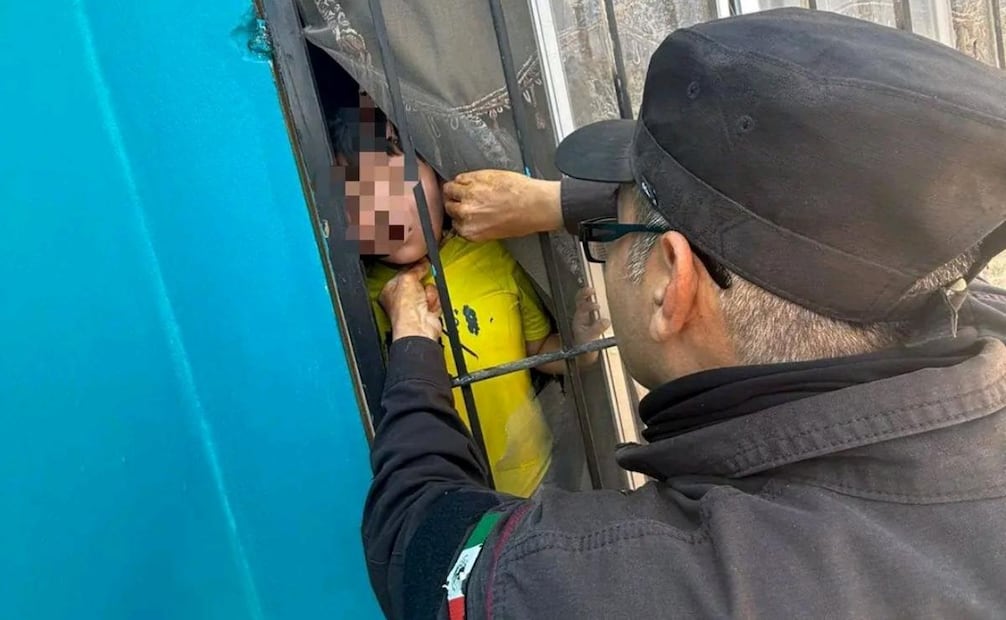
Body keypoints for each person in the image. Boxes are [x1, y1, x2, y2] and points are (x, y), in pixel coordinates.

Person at [364, 8, 1006, 620]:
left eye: (607, 235)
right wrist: (556, 204)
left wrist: (415, 345)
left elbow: (417, 535)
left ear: (671, 285)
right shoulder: (972, 330)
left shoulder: (651, 589)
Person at [330, 92, 608, 498]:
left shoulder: (491, 252)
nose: (385, 212)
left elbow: (538, 350)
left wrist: (581, 346)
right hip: (446, 496)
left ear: (438, 172)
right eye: (359, 199)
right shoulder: (355, 302)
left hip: (536, 478)